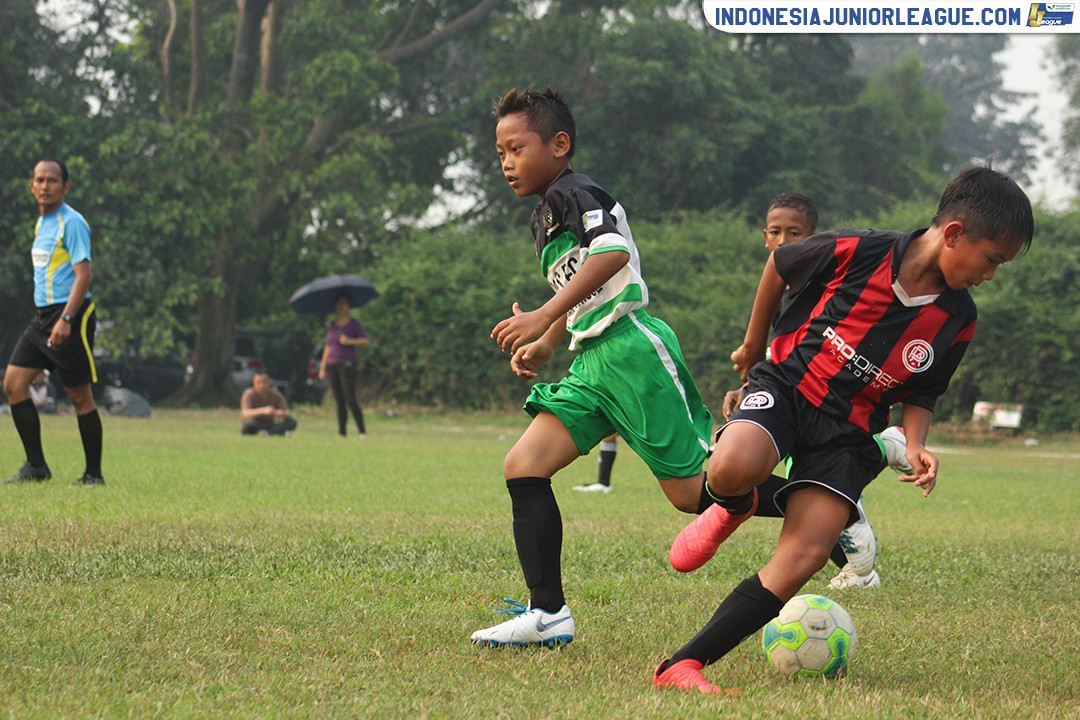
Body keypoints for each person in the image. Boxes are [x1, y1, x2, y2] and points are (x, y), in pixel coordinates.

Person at [654, 165, 1033, 693]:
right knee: (733, 467)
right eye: (992, 259)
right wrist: (753, 345)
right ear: (953, 234)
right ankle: (734, 505)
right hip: (787, 386)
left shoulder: (957, 318)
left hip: (849, 435)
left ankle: (681, 665)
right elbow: (778, 268)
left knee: (807, 553)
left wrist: (917, 441)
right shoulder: (859, 250)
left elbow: (924, 390)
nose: (990, 275)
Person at [470, 87, 715, 648]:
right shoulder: (544, 216)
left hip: (631, 352)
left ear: (559, 144)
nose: (505, 161)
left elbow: (612, 255)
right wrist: (550, 340)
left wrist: (541, 315)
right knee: (524, 466)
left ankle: (825, 506)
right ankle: (548, 613)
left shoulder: (576, 192)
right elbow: (586, 291)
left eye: (516, 148)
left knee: (692, 493)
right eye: (499, 152)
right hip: (591, 362)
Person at [720, 193, 913, 591]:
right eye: (775, 232)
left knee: (808, 482)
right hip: (791, 395)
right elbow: (783, 352)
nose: (784, 241)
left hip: (837, 404)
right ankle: (858, 566)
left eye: (795, 233)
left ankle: (860, 550)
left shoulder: (829, 284)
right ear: (764, 237)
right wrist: (748, 387)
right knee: (788, 480)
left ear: (814, 237)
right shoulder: (778, 290)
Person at [3, 159, 105, 487]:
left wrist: (67, 319)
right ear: (31, 185)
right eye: (39, 180)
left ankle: (93, 475)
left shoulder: (72, 223)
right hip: (41, 318)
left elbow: (83, 275)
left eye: (52, 180)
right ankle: (36, 466)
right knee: (13, 385)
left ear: (66, 186)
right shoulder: (41, 223)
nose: (45, 186)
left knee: (78, 396)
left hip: (69, 315)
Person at [318, 294, 369, 439]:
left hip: (347, 364)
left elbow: (365, 341)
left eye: (343, 304)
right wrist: (322, 367)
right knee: (338, 399)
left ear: (348, 306)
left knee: (350, 397)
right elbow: (328, 347)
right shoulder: (332, 326)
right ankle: (342, 431)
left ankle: (361, 430)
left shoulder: (354, 324)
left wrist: (349, 341)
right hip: (333, 364)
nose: (341, 307)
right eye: (338, 305)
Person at [240, 370, 297, 436]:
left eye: (264, 382)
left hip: (270, 424)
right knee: (249, 424)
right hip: (256, 423)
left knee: (292, 422)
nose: (262, 385)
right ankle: (277, 432)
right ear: (254, 383)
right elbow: (244, 413)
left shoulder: (276, 395)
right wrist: (263, 411)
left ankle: (267, 433)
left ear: (269, 382)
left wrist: (281, 413)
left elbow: (288, 412)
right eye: (258, 382)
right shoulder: (249, 394)